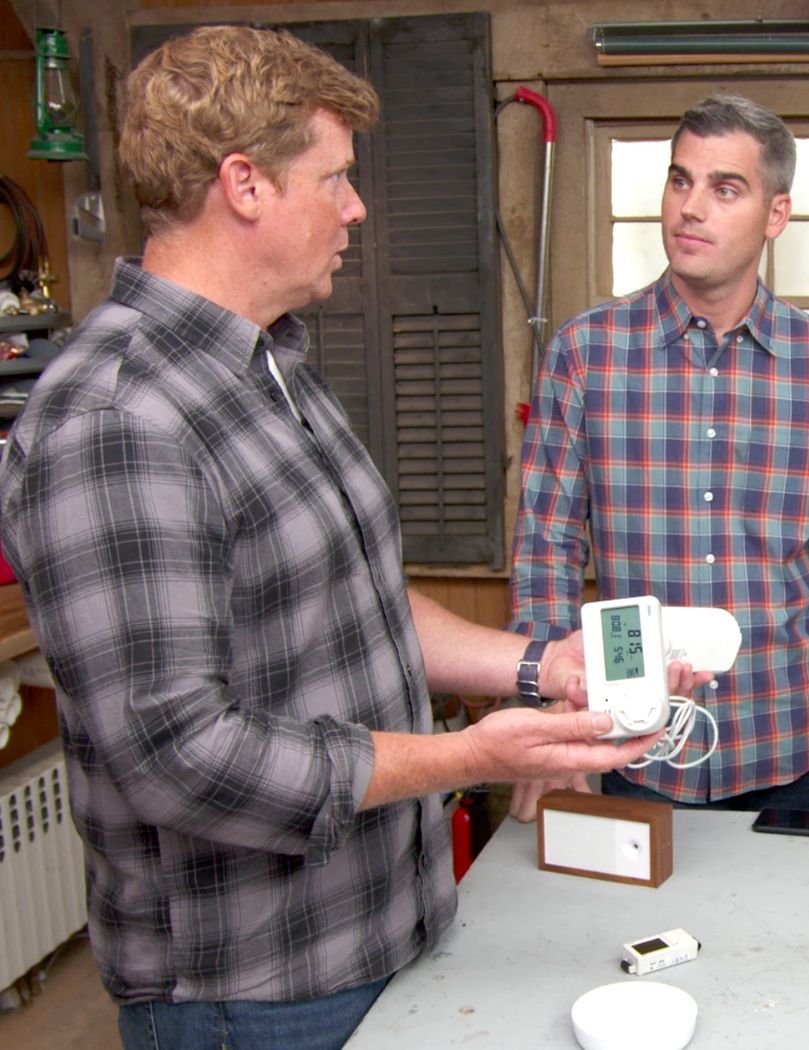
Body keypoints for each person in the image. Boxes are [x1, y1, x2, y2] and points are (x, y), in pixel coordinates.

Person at [0, 26, 688, 1050]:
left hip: (381, 934)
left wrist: (546, 668)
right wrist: (466, 756)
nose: (357, 207)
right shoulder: (117, 419)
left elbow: (358, 607)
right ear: (244, 184)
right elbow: (182, 758)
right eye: (334, 177)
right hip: (256, 990)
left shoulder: (272, 366)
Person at [508, 94, 809, 825]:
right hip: (633, 737)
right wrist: (551, 717)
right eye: (681, 181)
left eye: (724, 188)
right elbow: (546, 551)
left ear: (776, 215)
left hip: (795, 738)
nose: (689, 208)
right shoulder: (585, 355)